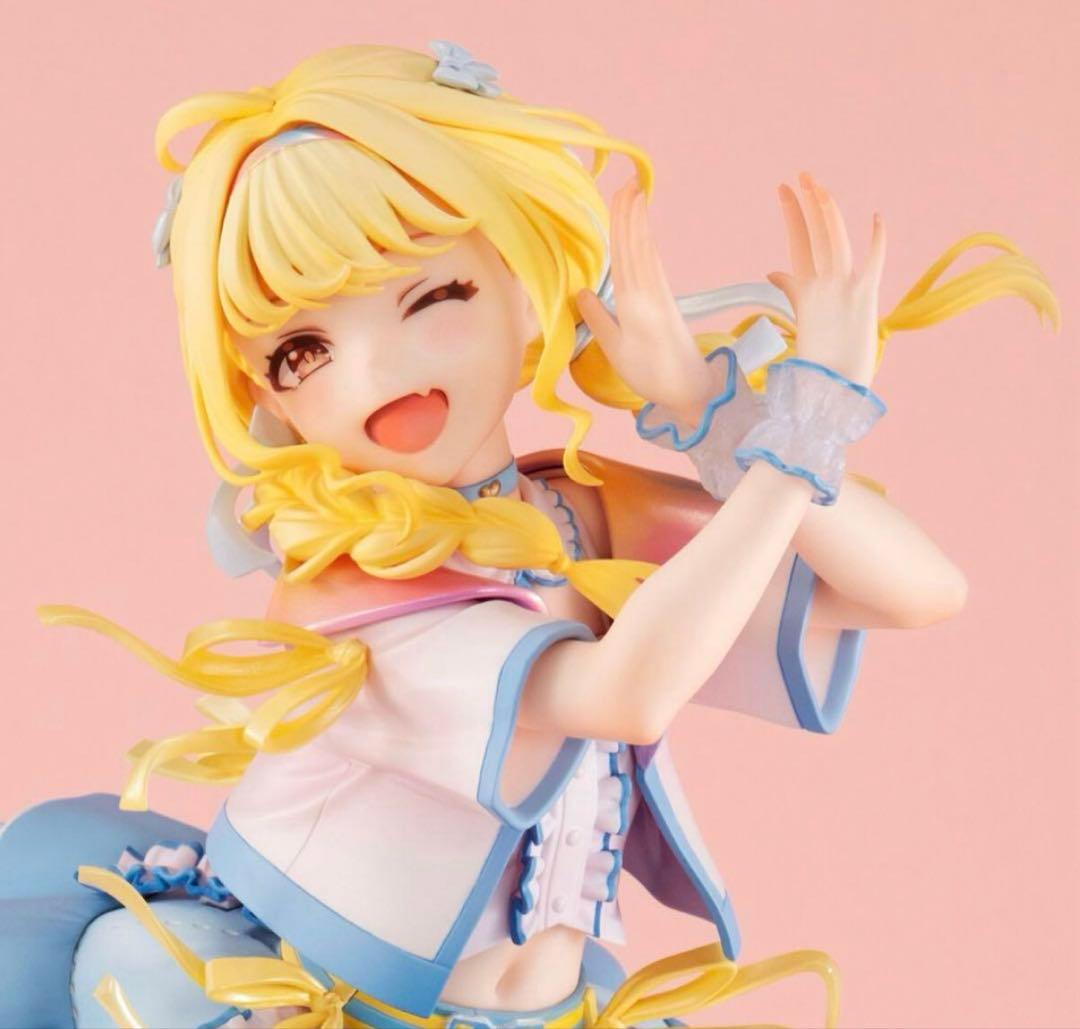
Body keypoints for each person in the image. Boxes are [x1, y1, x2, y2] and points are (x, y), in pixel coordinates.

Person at [2, 41, 1058, 1029]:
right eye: (304, 351)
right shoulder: (353, 586)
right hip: (328, 1001)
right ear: (272, 400)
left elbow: (914, 591)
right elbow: (621, 692)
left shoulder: (575, 511)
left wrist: (711, 411)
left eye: (434, 294)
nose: (377, 371)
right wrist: (800, 431)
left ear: (528, 290)